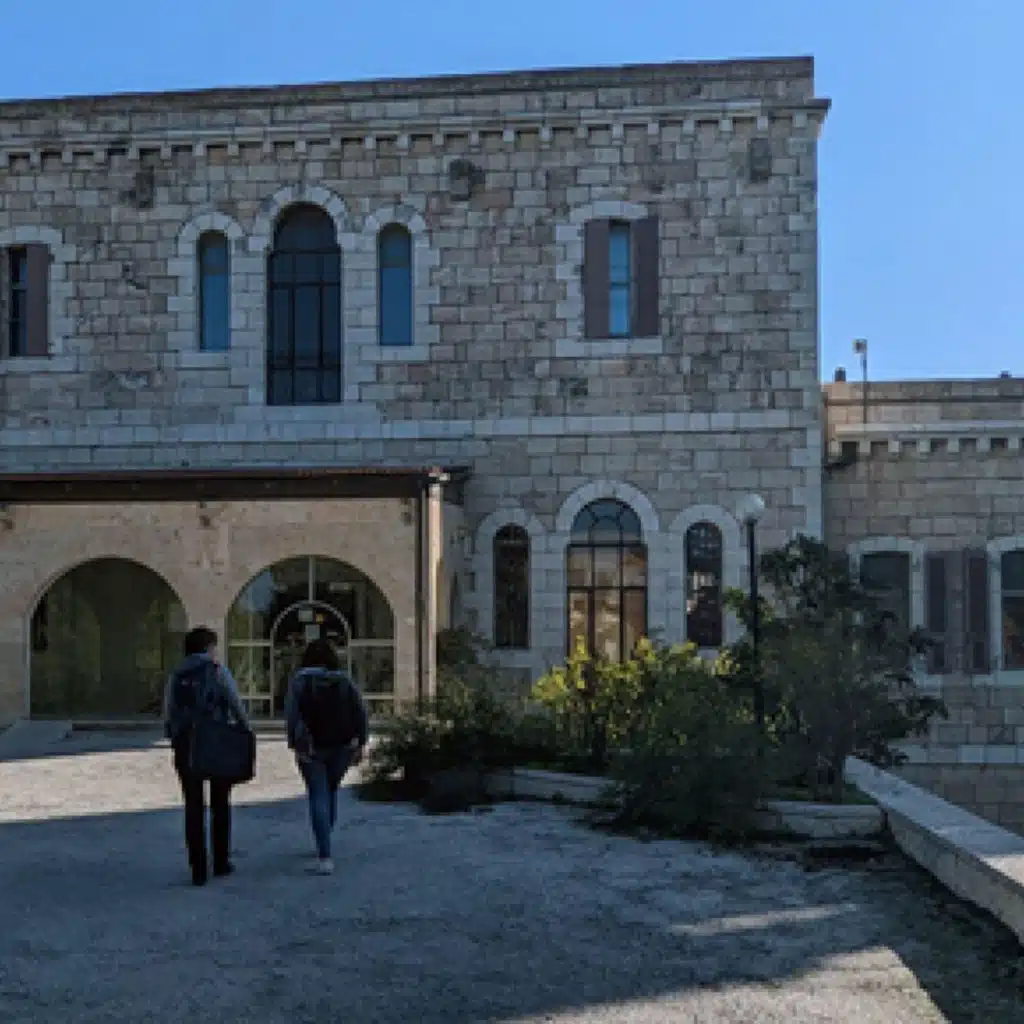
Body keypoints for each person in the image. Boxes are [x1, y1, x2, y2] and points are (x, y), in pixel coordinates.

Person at [163, 625, 252, 886]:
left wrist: (174, 736)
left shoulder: (176, 674)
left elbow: (169, 711)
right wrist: (245, 730)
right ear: (209, 647)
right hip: (215, 742)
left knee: (193, 805)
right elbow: (235, 703)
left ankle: (198, 868)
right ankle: (221, 861)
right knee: (220, 803)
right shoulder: (217, 671)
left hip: (185, 745)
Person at [284, 639, 369, 875]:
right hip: (343, 745)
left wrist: (295, 743)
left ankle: (324, 853)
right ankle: (325, 837)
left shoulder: (300, 681)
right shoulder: (344, 680)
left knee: (317, 793)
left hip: (311, 746)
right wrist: (361, 742)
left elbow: (292, 715)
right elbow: (360, 711)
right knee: (331, 790)